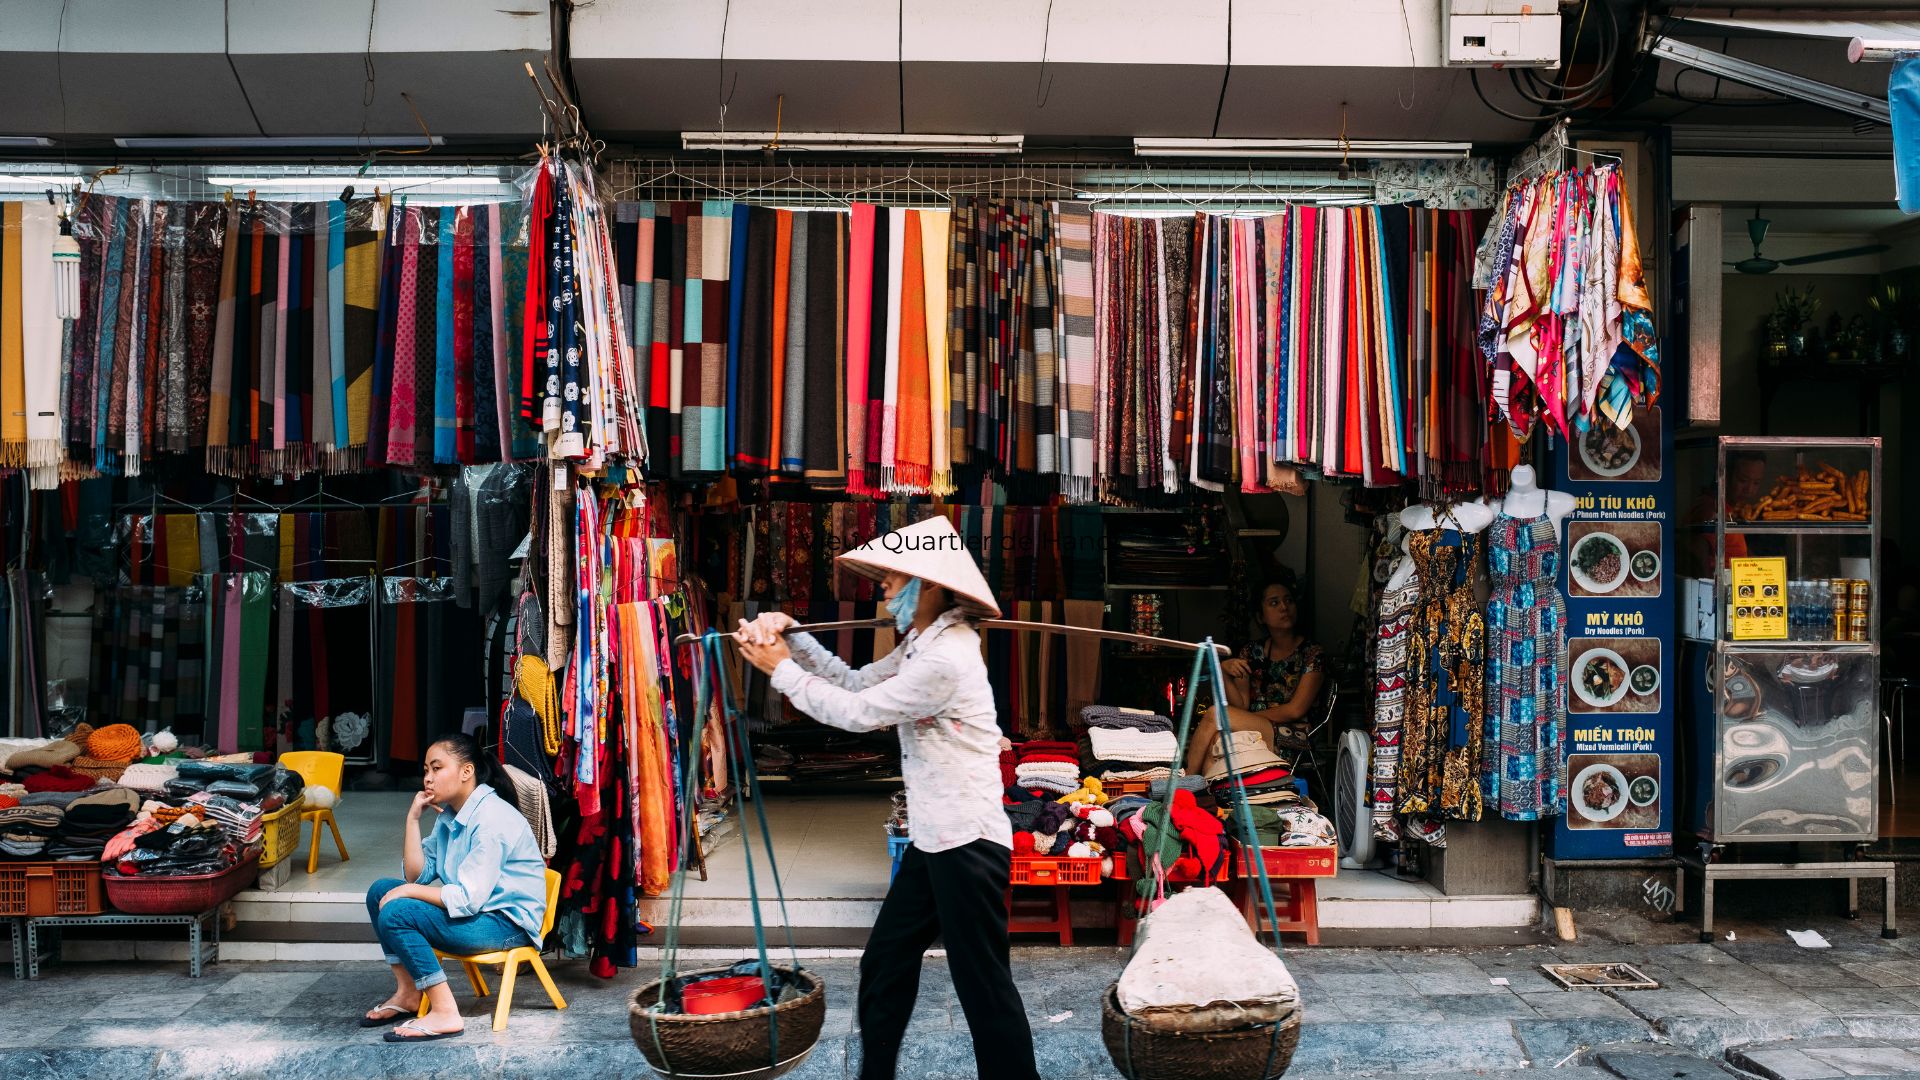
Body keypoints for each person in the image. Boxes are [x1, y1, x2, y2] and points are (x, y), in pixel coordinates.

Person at [735, 515, 1041, 1080]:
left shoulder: (947, 656)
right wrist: (796, 638)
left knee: (984, 987)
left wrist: (779, 670)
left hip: (967, 845)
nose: (883, 587)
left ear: (926, 585)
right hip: (936, 839)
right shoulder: (922, 645)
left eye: (893, 579)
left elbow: (856, 715)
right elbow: (854, 683)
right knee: (886, 962)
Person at [359, 734, 548, 1042]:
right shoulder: (452, 814)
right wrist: (412, 820)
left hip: (506, 924)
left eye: (437, 768)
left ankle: (445, 1011)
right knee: (380, 891)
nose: (428, 778)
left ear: (466, 771)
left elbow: (466, 899)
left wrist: (407, 893)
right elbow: (417, 877)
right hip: (477, 914)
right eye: (425, 770)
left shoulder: (491, 818)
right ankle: (408, 993)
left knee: (398, 910)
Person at [1187, 571, 1328, 777]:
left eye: (1288, 601)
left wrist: (1243, 718)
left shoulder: (1313, 654)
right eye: (1274, 603)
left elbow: (1295, 710)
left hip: (1294, 736)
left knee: (1215, 714)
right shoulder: (1252, 652)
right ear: (1260, 616)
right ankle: (1214, 799)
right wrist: (1224, 672)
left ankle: (1185, 782)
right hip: (1256, 729)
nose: (1283, 607)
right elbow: (1241, 704)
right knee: (1218, 738)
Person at [1686, 449, 1768, 575]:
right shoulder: (1710, 509)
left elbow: (1736, 552)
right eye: (1743, 480)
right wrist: (1711, 591)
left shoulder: (1732, 511)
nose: (1749, 489)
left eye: (1756, 483)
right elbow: (1696, 553)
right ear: (1725, 476)